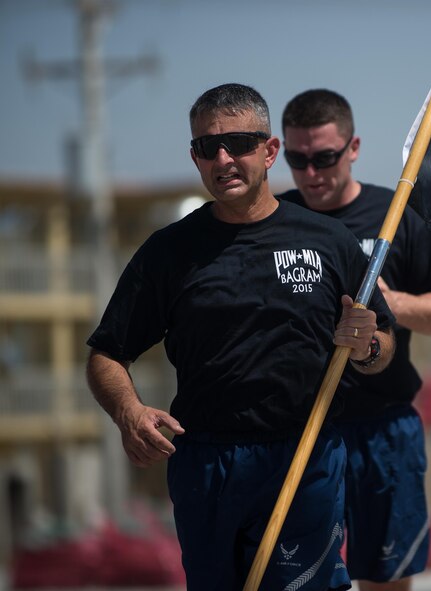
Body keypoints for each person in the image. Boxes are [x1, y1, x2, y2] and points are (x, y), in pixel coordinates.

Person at [85, 82, 396, 591]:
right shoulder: (168, 252)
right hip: (207, 466)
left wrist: (368, 346)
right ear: (195, 157)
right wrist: (129, 412)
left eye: (241, 145)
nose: (224, 159)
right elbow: (106, 354)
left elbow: (381, 344)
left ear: (270, 151)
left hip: (305, 455)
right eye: (209, 148)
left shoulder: (328, 241)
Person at [278, 89, 431, 591]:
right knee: (299, 579)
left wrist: (386, 303)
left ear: (353, 147)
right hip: (300, 430)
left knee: (384, 578)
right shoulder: (278, 221)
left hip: (382, 428)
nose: (311, 174)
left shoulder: (398, 216)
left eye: (325, 158)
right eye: (298, 160)